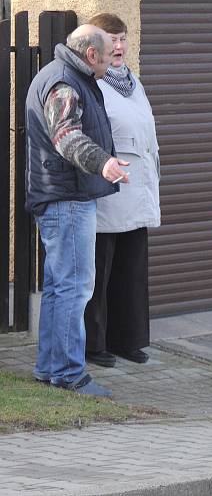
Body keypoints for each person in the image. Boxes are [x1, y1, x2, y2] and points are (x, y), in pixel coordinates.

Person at [25, 24, 131, 398]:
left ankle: (49, 368)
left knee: (59, 287)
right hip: (67, 200)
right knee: (74, 287)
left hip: (62, 196)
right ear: (90, 55)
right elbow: (67, 137)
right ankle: (70, 373)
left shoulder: (64, 75)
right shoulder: (65, 84)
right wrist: (103, 163)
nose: (109, 63)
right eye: (106, 56)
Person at [82, 13, 160, 368]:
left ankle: (128, 340)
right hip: (111, 191)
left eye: (123, 38)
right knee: (101, 269)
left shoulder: (133, 82)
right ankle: (95, 344)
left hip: (138, 187)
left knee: (132, 268)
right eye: (111, 39)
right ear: (94, 45)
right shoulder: (92, 84)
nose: (118, 46)